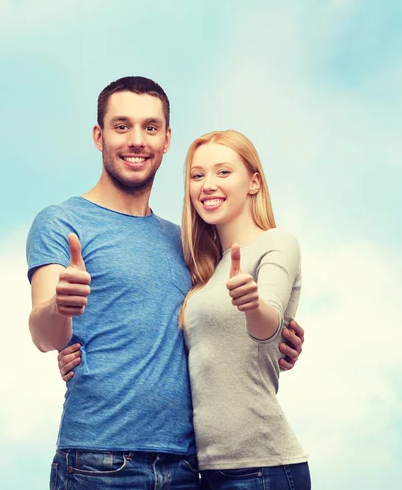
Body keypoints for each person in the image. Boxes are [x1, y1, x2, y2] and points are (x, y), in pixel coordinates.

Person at [27, 76, 304, 490]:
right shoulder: (61, 222)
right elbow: (45, 334)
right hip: (98, 461)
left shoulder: (189, 244)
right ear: (99, 136)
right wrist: (59, 308)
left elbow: (223, 323)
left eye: (150, 128)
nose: (136, 139)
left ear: (166, 139)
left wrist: (281, 332)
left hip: (187, 468)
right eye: (122, 126)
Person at [181, 130, 311, 489]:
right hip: (203, 469)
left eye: (223, 172)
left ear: (254, 182)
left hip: (263, 467)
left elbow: (268, 323)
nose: (208, 184)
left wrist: (252, 305)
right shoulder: (203, 271)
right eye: (197, 175)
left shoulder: (277, 243)